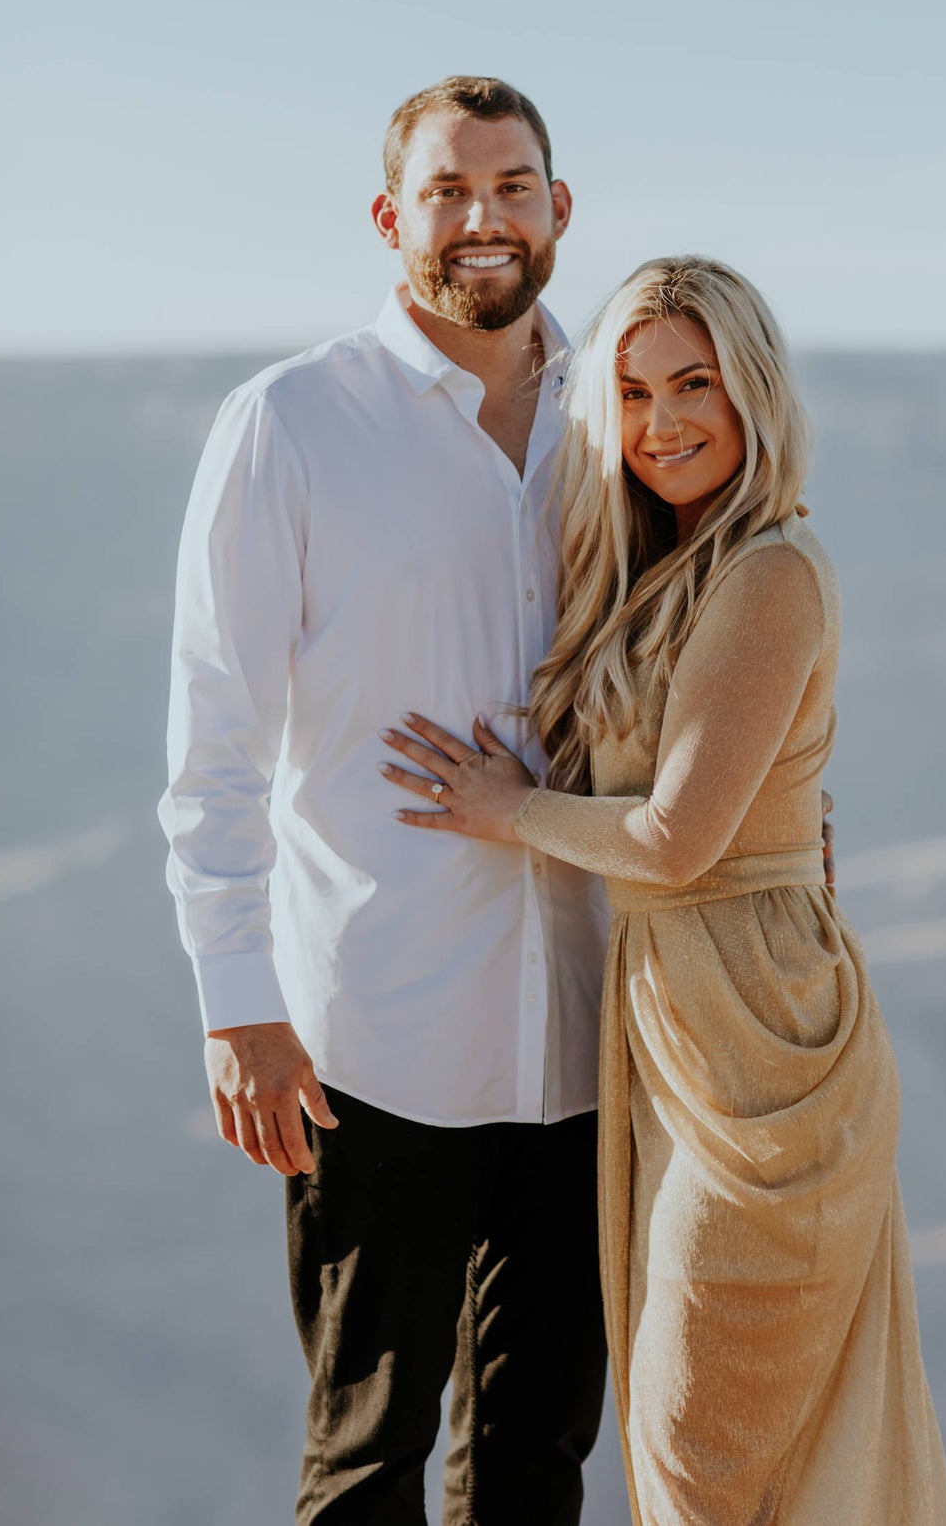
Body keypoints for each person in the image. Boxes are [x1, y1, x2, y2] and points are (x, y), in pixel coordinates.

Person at [378, 256, 946, 1526]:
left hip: (756, 1052)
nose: (663, 422)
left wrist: (503, 809)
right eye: (632, 394)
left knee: (699, 1441)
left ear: (754, 391)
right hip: (673, 1027)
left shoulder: (765, 572)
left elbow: (677, 838)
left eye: (694, 384)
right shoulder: (669, 566)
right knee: (680, 1438)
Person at [159, 76, 612, 1525]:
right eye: (448, 190)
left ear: (560, 209)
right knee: (367, 1464)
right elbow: (214, 731)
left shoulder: (629, 410)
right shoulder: (289, 423)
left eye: (514, 187)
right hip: (375, 1039)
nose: (485, 219)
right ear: (388, 216)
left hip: (596, 1037)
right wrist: (237, 999)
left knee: (538, 1459)